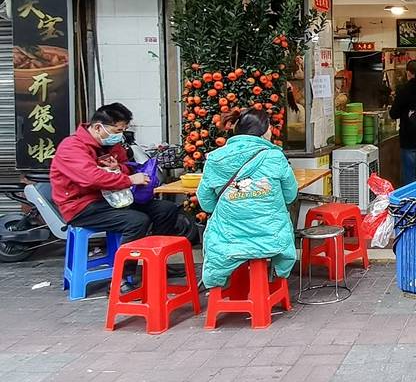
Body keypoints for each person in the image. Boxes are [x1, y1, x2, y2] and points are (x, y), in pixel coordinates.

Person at [50, 103, 193, 285]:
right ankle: (122, 278)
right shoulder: (71, 147)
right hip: (83, 206)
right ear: (97, 127)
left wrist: (119, 168)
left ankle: (157, 266)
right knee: (136, 221)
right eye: (117, 129)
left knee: (166, 209)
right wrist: (130, 180)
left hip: (115, 199)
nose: (120, 134)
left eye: (124, 129)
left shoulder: (112, 145)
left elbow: (127, 166)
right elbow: (91, 178)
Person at [197, 109, 299, 289]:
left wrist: (234, 202)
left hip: (228, 241)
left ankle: (220, 285)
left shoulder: (216, 159)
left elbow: (206, 203)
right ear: (265, 130)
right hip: (272, 238)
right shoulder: (275, 157)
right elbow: (290, 195)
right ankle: (278, 274)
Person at [389, 59, 416, 184]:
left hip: (408, 138)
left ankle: (410, 200)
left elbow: (394, 113)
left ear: (408, 72)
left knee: (409, 174)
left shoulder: (403, 90)